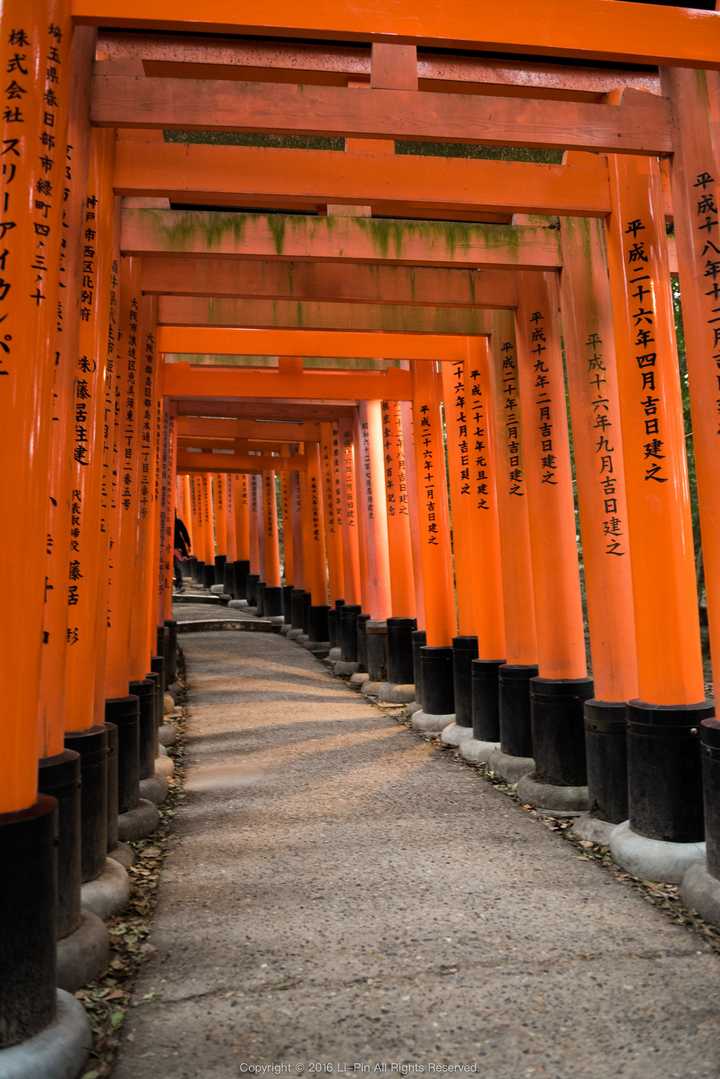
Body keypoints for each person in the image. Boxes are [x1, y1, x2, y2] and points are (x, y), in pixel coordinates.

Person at [173, 512, 192, 592]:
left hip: (176, 547)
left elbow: (184, 533)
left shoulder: (178, 522)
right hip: (166, 546)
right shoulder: (162, 520)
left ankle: (179, 584)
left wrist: (188, 543)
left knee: (177, 566)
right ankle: (177, 584)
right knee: (174, 566)